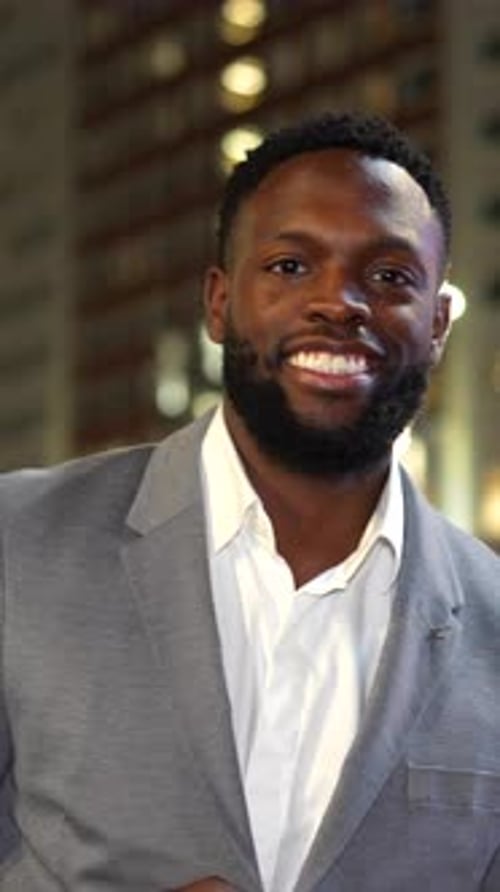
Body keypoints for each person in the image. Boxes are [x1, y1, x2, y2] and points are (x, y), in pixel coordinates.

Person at [0, 112, 499, 892]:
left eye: (391, 276)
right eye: (292, 265)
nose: (341, 302)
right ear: (220, 302)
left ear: (437, 324)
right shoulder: (17, 545)